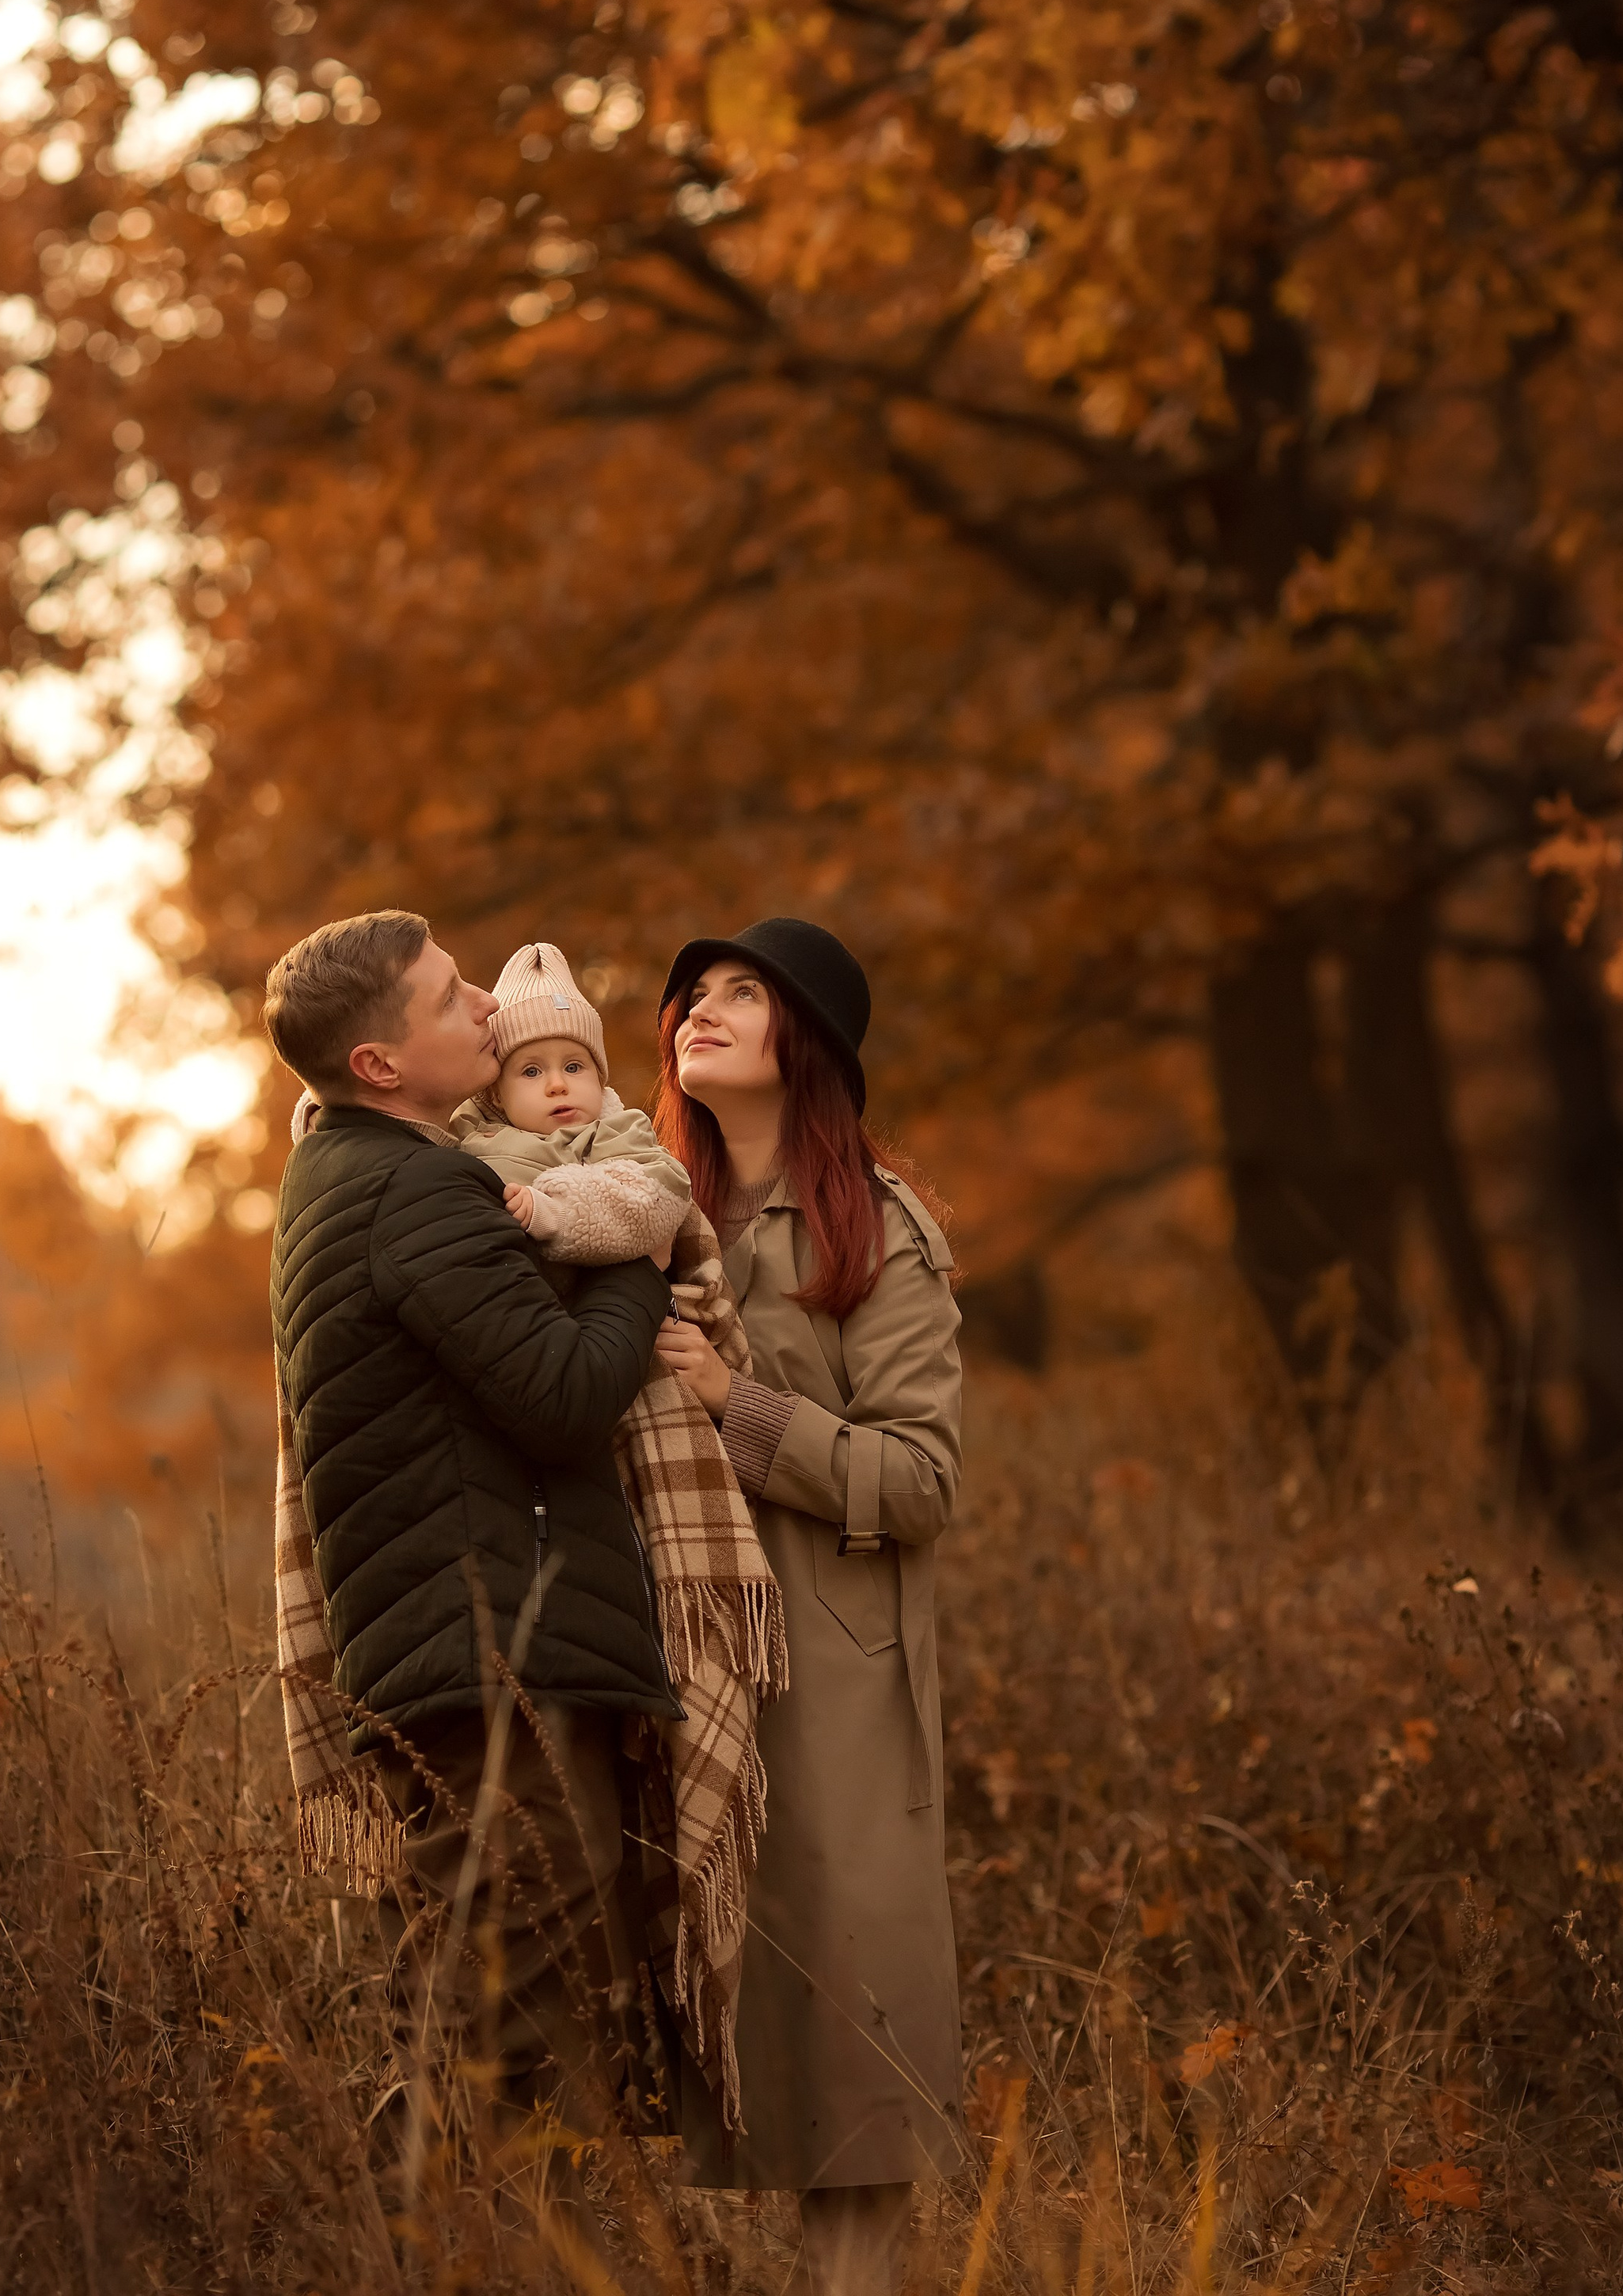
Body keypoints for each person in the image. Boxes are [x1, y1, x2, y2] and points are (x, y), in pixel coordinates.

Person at [260, 906, 677, 2150]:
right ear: (380, 1065)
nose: (490, 1008)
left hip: (453, 1657)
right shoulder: (420, 1190)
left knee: (481, 2027)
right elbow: (561, 1398)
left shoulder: (340, 1177)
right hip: (497, 1661)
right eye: (454, 1001)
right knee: (525, 2061)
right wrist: (637, 1256)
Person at [652, 917, 965, 2296]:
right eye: (693, 993)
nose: (700, 1011)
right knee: (733, 2036)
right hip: (679, 1665)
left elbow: (920, 1477)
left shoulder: (878, 1229)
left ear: (808, 1045)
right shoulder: (648, 1209)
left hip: (833, 1678)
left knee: (850, 2041)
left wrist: (739, 1404)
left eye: (741, 994)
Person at [448, 937, 789, 2127]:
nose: (557, 1088)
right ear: (492, 1086)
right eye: (532, 1069)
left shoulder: (624, 1150)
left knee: (610, 1827)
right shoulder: (461, 1154)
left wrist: (540, 1208)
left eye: (575, 1068)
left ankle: (625, 2081)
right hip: (542, 1479)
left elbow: (644, 1215)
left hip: (631, 1455)